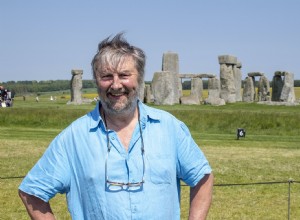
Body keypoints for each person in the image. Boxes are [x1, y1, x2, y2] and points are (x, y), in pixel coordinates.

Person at [19, 33, 213, 220]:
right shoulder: (73, 137)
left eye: (124, 75)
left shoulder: (170, 128)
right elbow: (32, 192)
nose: (116, 85)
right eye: (106, 76)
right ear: (96, 80)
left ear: (140, 78)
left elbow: (202, 178)